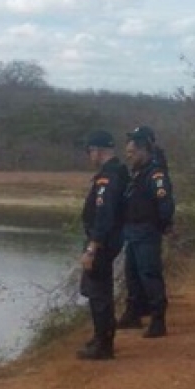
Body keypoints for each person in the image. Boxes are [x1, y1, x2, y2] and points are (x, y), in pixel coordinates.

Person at [115, 126, 175, 338]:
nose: (129, 156)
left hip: (147, 230)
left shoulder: (155, 174)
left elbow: (165, 204)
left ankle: (158, 320)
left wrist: (162, 225)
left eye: (132, 152)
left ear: (143, 150)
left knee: (149, 274)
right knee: (132, 274)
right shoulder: (138, 172)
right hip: (132, 230)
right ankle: (133, 313)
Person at [76, 129, 128, 361]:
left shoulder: (109, 176)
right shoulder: (116, 172)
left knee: (98, 292)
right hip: (109, 239)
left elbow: (104, 214)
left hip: (103, 241)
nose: (90, 156)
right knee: (98, 289)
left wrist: (92, 247)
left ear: (97, 151)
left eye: (90, 151)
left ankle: (103, 344)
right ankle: (101, 337)